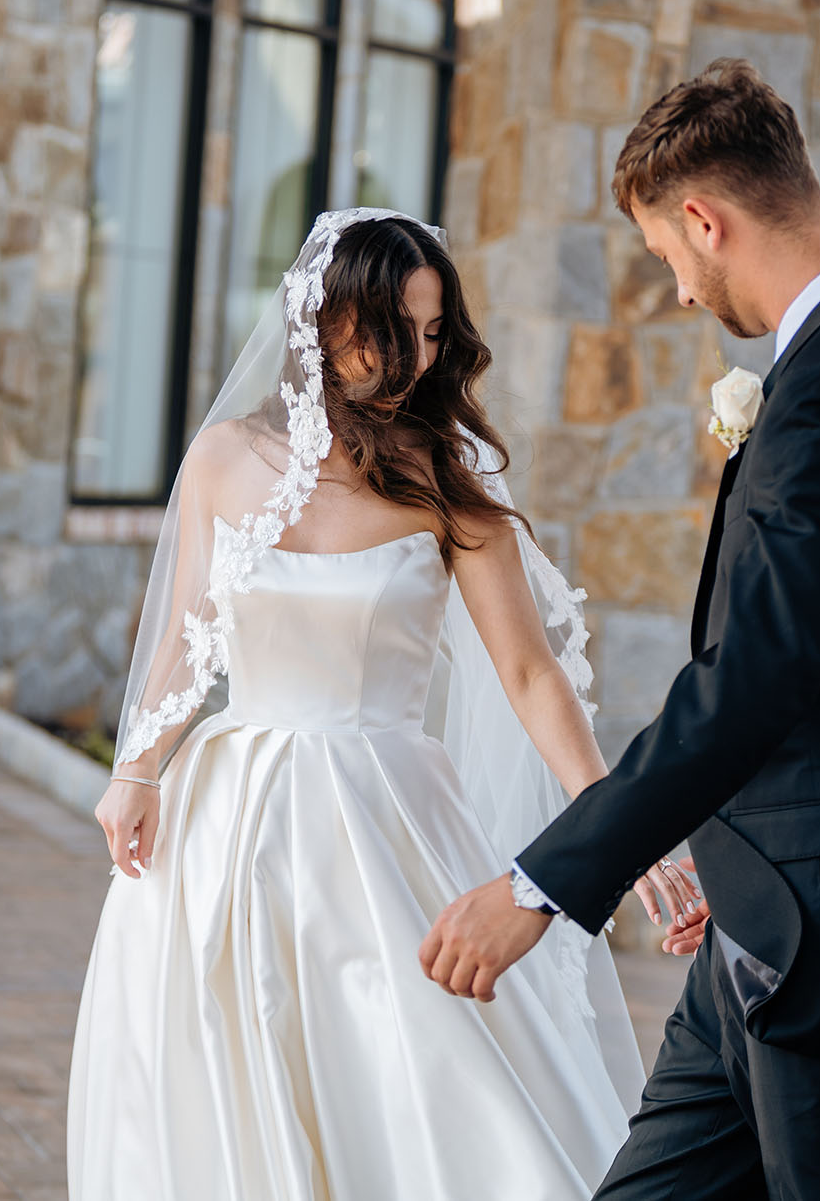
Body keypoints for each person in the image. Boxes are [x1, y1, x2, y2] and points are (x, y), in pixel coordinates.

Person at [419, 59, 820, 1199]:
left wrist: (539, 888)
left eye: (668, 258)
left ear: (705, 220)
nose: (683, 294)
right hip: (766, 926)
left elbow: (754, 676)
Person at [66, 210, 695, 1199]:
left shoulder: (446, 479)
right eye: (388, 324)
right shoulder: (224, 459)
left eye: (433, 329)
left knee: (428, 1073)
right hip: (225, 821)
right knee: (219, 1061)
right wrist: (135, 769)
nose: (411, 353)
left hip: (387, 816)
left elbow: (531, 676)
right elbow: (188, 635)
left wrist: (627, 825)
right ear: (318, 322)